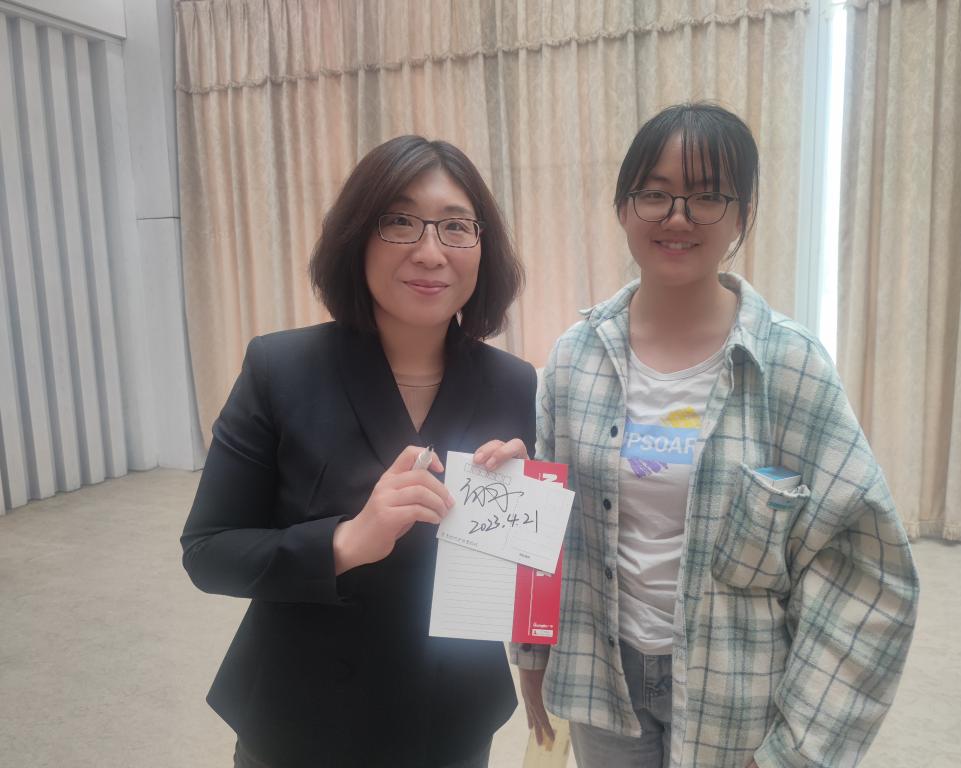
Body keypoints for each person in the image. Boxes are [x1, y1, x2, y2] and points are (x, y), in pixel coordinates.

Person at [475, 103, 919, 768]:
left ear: (743, 215)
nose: (677, 216)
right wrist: (532, 652)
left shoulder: (790, 368)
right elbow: (552, 531)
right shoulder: (575, 358)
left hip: (735, 690)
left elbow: (868, 571)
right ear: (624, 207)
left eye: (707, 196)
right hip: (603, 677)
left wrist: (800, 748)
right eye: (654, 193)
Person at [181, 135, 537, 768]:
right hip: (303, 715)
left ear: (483, 248)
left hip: (449, 717)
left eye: (456, 227)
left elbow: (517, 578)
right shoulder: (282, 367)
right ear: (356, 238)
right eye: (400, 222)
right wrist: (344, 542)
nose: (431, 251)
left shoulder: (513, 383)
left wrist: (524, 515)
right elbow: (209, 552)